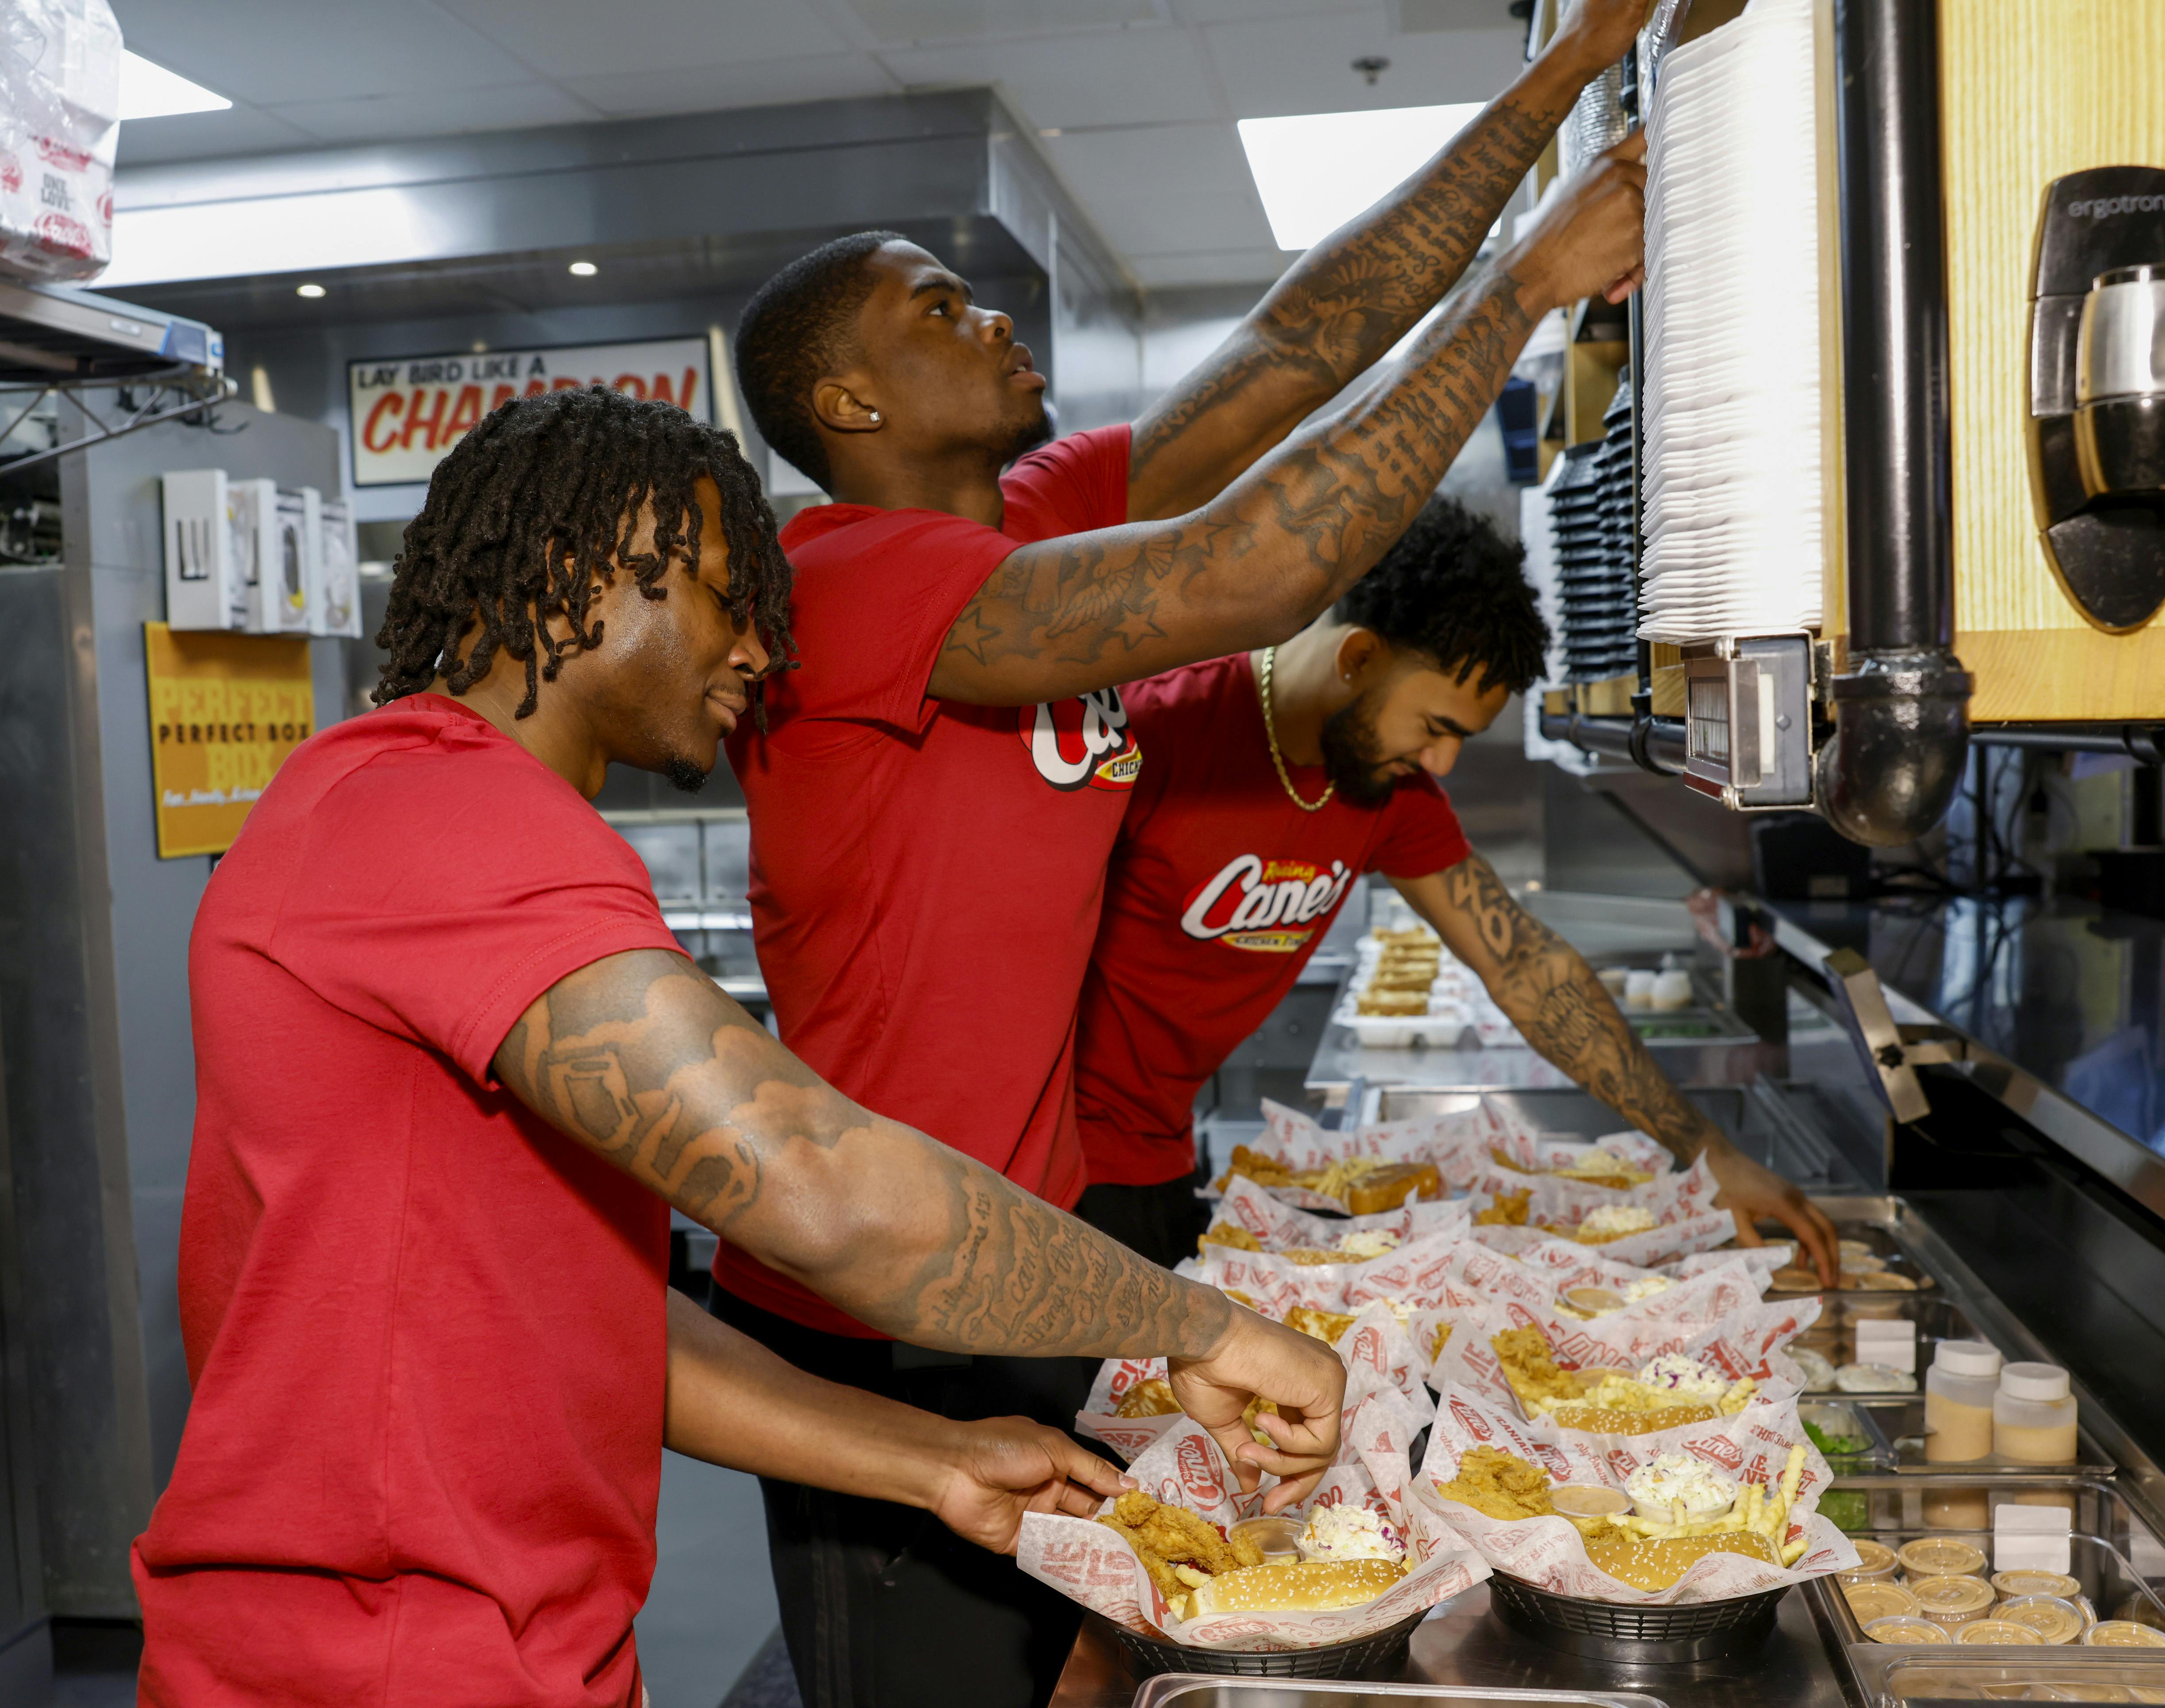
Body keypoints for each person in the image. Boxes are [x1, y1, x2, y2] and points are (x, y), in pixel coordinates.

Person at [131, 387, 1343, 1708]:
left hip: (519, 1646)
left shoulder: (438, 816)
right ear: (583, 568)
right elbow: (816, 1181)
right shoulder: (437, 807)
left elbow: (599, 1319)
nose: (762, 647)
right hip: (372, 1663)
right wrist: (1200, 1327)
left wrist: (920, 1457)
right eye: (720, 591)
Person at [719, 2, 1654, 1696]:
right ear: (846, 398)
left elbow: (1304, 339)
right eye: (935, 305)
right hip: (881, 1303)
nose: (988, 309)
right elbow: (1252, 570)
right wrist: (1519, 296)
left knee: (1102, 1663)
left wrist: (1564, 75)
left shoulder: (1041, 513)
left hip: (1035, 1254)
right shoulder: (845, 581)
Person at [1071, 497, 1840, 1277]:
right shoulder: (1157, 727)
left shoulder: (1389, 793)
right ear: (1358, 656)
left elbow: (1525, 967)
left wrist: (1706, 1152)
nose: (1442, 765)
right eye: (1435, 727)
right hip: (1049, 1167)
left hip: (1156, 1151)